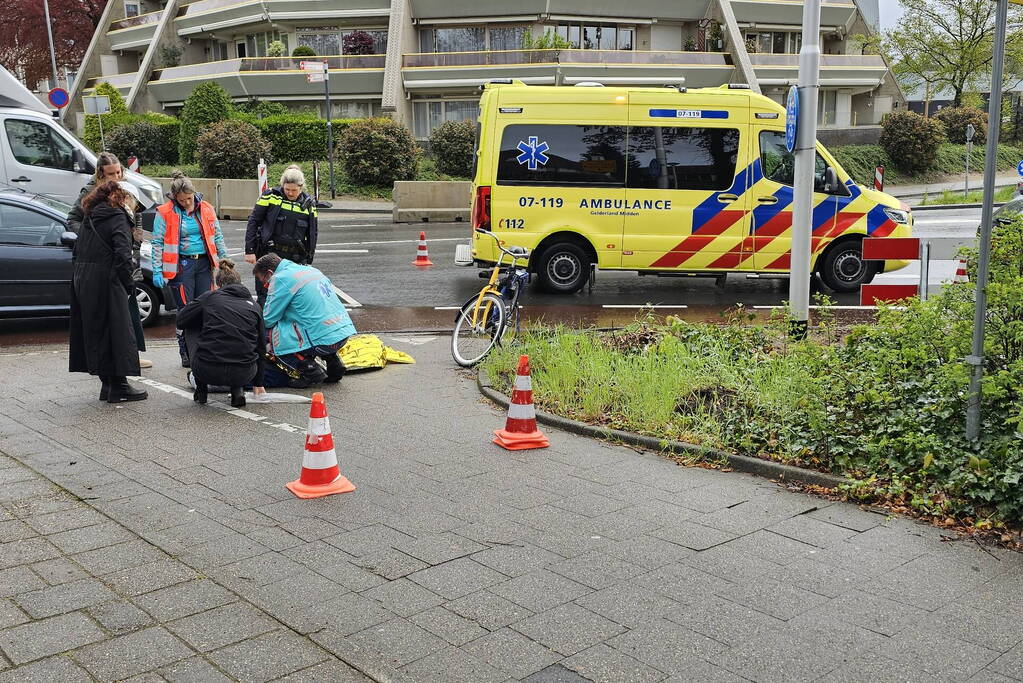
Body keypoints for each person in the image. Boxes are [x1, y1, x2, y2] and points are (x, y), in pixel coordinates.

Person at [67, 152, 152, 369]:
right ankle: (117, 362)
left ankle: (131, 354)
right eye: (111, 174)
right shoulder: (91, 191)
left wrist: (135, 234)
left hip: (126, 252)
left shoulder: (125, 187)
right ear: (100, 174)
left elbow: (136, 213)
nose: (116, 177)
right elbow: (73, 218)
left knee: (130, 311)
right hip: (106, 260)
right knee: (112, 316)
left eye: (118, 172)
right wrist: (92, 238)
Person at [151, 171, 227, 368]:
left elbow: (217, 236)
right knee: (185, 310)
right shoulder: (165, 212)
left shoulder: (207, 208)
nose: (186, 203)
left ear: (194, 194)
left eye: (189, 199)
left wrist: (224, 260)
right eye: (181, 200)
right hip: (181, 267)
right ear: (174, 197)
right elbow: (157, 243)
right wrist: (157, 270)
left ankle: (203, 350)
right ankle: (185, 350)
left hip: (204, 264)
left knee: (206, 308)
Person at [253, 253, 354, 387]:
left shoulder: (281, 279)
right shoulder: (311, 270)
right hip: (342, 334)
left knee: (265, 335)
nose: (266, 286)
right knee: (314, 324)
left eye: (265, 282)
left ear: (270, 273)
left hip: (321, 341)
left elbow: (268, 319)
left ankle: (310, 371)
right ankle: (333, 363)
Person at [176, 259, 266, 408]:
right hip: (244, 373)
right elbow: (261, 347)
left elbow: (181, 321)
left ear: (219, 285)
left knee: (190, 325)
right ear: (240, 283)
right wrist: (258, 383)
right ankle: (238, 391)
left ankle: (201, 389)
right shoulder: (255, 307)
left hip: (207, 370)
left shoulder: (209, 297)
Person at [244, 165, 318, 306]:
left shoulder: (308, 204)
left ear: (301, 188)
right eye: (287, 189)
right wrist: (250, 250)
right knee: (265, 297)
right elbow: (253, 221)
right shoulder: (271, 196)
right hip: (269, 254)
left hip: (294, 259)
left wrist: (309, 260)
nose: (290, 193)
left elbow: (312, 233)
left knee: (291, 298)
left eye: (294, 190)